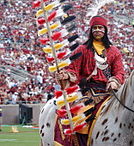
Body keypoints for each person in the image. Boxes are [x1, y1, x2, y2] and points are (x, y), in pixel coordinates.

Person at [54, 16, 125, 146]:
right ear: (91, 30)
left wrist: (115, 80)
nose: (97, 30)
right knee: (79, 118)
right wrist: (66, 75)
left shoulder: (114, 51)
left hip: (110, 91)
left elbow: (120, 72)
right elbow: (73, 69)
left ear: (105, 30)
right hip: (88, 91)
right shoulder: (82, 49)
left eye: (100, 28)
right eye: (95, 28)